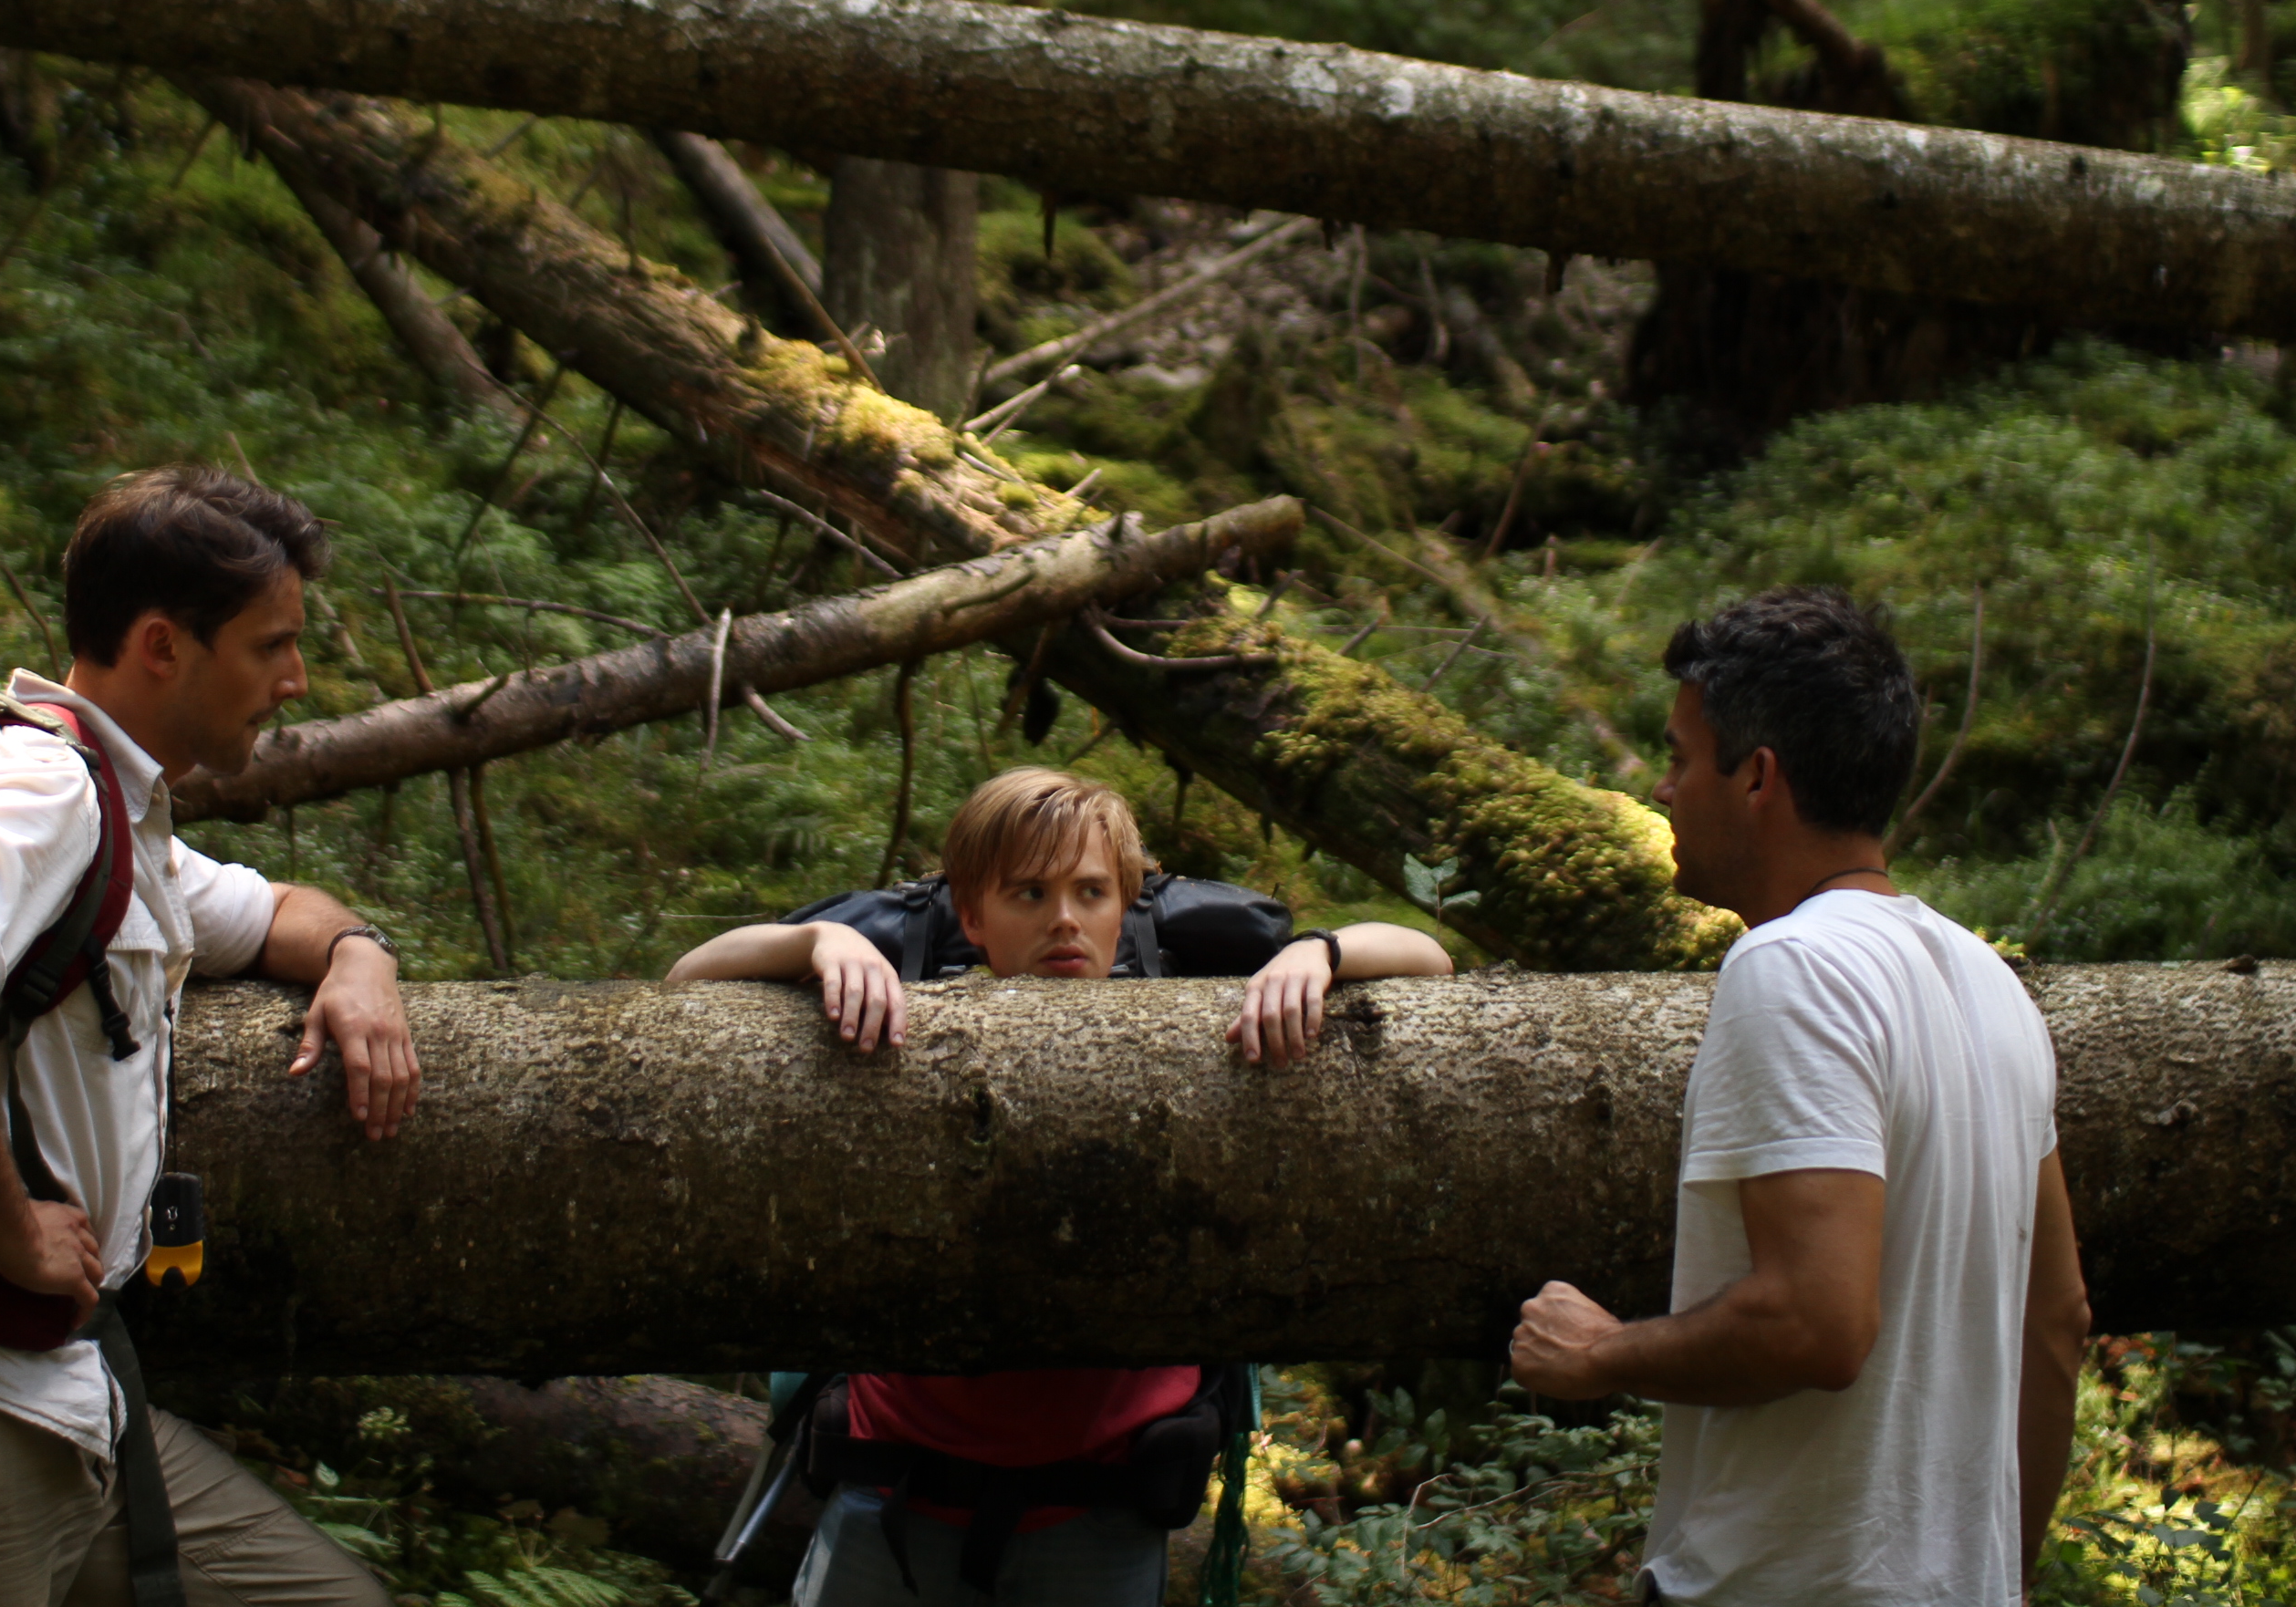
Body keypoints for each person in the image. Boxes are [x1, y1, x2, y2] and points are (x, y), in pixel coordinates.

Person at [0, 466, 423, 1607]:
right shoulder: (33, 791)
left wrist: (362, 958)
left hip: (65, 1399)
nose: (295, 679)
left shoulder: (121, 821)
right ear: (163, 645)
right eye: (270, 647)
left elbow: (273, 916)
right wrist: (10, 1226)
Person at [670, 766, 1454, 1607]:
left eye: (1091, 891)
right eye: (1030, 894)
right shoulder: (897, 1013)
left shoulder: (1192, 1008)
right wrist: (817, 942)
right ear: (971, 917)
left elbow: (1432, 961)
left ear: (1127, 905)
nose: (1065, 920)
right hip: (892, 1486)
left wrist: (1318, 950)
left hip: (1103, 1506)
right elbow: (685, 984)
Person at [1507, 587, 2089, 1606]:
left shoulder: (1791, 968)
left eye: (1683, 758)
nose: (1665, 785)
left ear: (1758, 778)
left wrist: (1603, 1354)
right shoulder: (1994, 984)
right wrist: (2006, 1576)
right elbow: (2060, 1321)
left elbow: (1815, 1323)